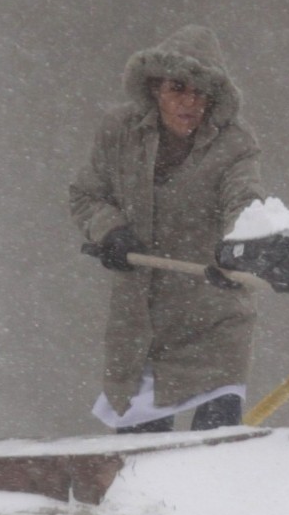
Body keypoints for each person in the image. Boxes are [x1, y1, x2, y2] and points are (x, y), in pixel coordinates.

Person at [70, 25, 264, 433]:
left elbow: (244, 201)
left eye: (201, 91)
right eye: (178, 88)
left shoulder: (236, 144)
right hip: (139, 323)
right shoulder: (118, 130)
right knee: (138, 462)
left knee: (214, 453)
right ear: (155, 86)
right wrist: (110, 231)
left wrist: (239, 247)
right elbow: (86, 196)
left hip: (213, 316)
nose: (189, 102)